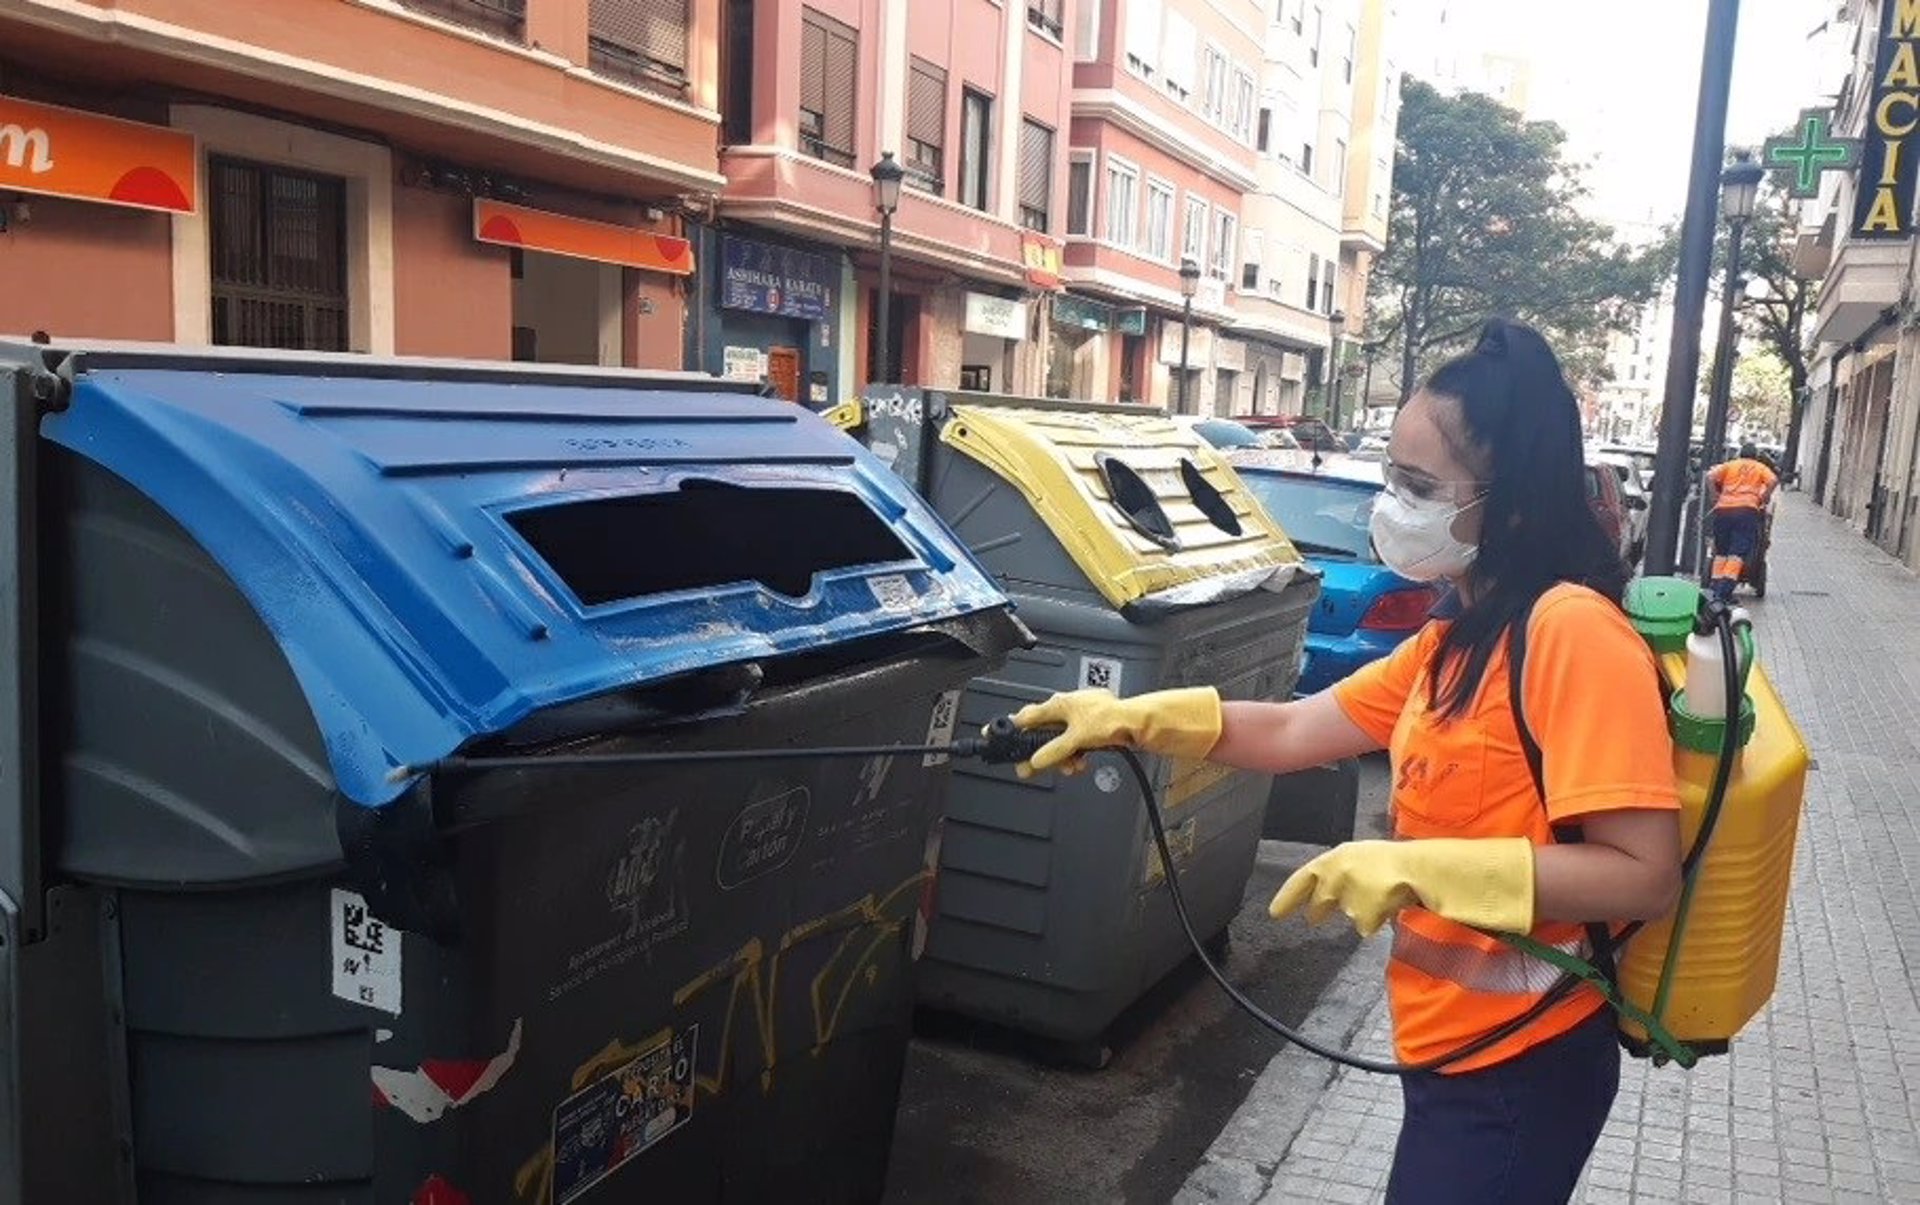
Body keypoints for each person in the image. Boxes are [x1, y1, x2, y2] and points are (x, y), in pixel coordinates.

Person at [1011, 319, 1682, 1205]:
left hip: (1524, 1061)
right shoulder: (1460, 634)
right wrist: (1135, 718)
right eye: (1391, 476)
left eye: (1417, 484)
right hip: (1454, 1049)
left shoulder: (1573, 633)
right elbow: (1299, 731)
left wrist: (1417, 867)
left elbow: (1642, 875)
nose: (1390, 504)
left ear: (1511, 502)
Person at [1704, 443, 1778, 603]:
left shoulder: (1730, 465)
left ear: (1740, 454)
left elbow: (1710, 476)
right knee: (1737, 553)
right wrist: (1765, 496)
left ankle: (1714, 588)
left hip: (1723, 510)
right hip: (1746, 511)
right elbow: (1773, 481)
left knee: (1721, 551)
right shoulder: (1759, 467)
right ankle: (1724, 593)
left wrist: (1714, 495)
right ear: (1755, 456)